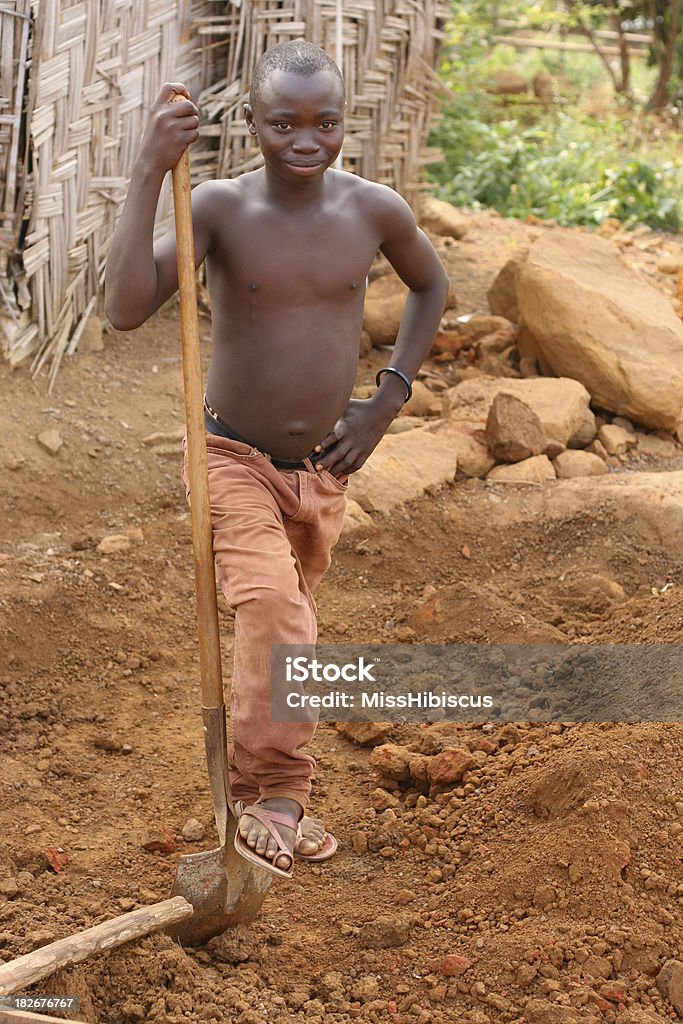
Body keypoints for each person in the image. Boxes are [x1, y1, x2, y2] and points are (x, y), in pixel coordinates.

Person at [105, 40, 449, 878]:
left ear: (344, 124)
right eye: (284, 122)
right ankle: (282, 794)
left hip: (324, 469)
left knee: (280, 629)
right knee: (273, 608)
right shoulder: (219, 207)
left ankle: (264, 789)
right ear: (252, 124)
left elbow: (431, 287)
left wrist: (387, 400)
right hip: (230, 456)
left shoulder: (374, 211)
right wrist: (152, 169)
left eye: (324, 122)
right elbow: (122, 310)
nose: (306, 139)